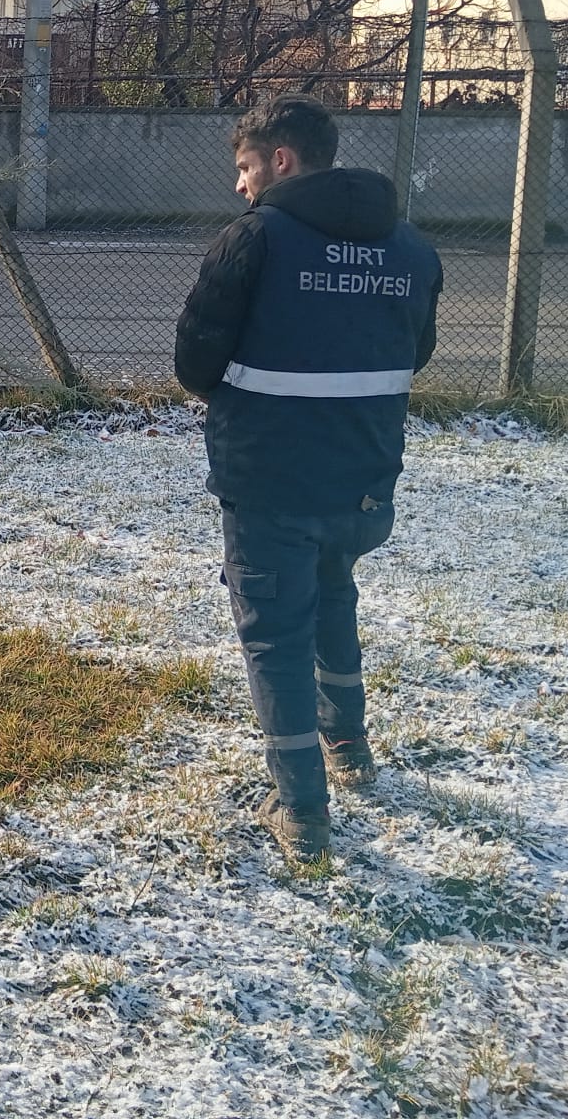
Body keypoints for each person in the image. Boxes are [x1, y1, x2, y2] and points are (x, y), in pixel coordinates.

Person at [174, 95, 442, 865]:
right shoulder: (412, 249)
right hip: (364, 481)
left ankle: (300, 809)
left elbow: (194, 364)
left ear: (281, 160)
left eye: (245, 167)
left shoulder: (253, 239)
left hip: (270, 482)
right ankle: (349, 748)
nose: (240, 185)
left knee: (275, 637)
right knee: (332, 597)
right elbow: (416, 353)